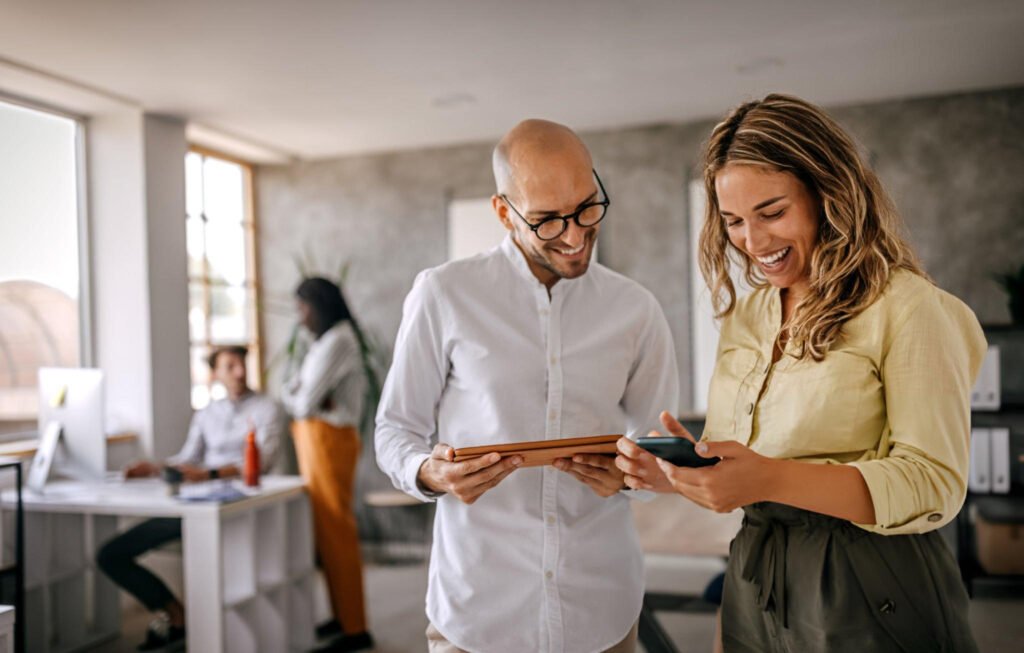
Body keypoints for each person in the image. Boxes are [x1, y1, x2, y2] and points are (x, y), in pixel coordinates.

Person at [616, 94, 986, 652]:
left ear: (827, 193)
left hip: (872, 582)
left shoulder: (908, 307)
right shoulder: (748, 315)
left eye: (772, 212)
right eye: (734, 221)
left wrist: (768, 478)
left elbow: (932, 482)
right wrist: (680, 473)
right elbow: (749, 470)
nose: (753, 242)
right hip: (756, 576)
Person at [375, 119, 680, 653]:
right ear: (503, 212)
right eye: (546, 221)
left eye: (588, 207)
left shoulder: (636, 310)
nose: (574, 235)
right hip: (478, 608)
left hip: (602, 606)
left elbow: (660, 443)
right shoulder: (443, 294)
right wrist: (431, 471)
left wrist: (633, 476)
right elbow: (396, 429)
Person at [97, 345, 284, 652]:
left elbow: (261, 463)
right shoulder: (206, 414)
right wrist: (155, 468)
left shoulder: (267, 408)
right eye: (230, 366)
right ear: (215, 374)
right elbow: (187, 458)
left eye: (242, 364)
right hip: (195, 504)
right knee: (111, 555)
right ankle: (175, 614)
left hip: (236, 505)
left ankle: (203, 632)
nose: (239, 371)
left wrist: (208, 475)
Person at [280, 277, 373, 653]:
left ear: (319, 305)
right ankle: (342, 616)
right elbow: (294, 391)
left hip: (329, 441)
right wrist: (301, 394)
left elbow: (300, 401)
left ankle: (355, 628)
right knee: (326, 532)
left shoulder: (338, 340)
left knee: (337, 531)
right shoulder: (323, 342)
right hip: (317, 439)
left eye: (304, 308)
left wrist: (302, 395)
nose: (300, 318)